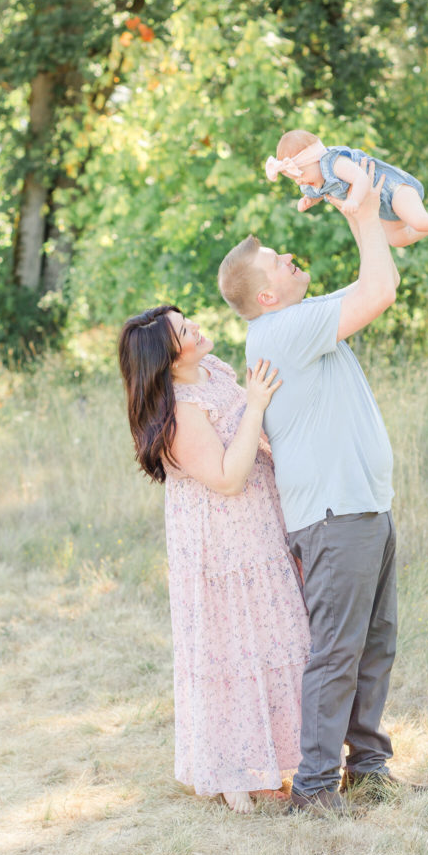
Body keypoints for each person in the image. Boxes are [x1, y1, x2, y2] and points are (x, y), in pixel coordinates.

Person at [218, 161, 422, 814]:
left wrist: (381, 213)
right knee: (336, 655)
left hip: (361, 509)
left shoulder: (296, 320)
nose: (288, 259)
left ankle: (366, 768)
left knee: (373, 647)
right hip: (337, 518)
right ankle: (311, 792)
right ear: (266, 295)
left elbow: (377, 274)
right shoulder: (283, 330)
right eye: (278, 261)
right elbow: (379, 292)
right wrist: (359, 212)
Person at [118, 306, 310, 814]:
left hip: (261, 525)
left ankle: (277, 759)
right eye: (185, 331)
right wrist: (255, 406)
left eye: (188, 321)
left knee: (280, 637)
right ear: (166, 357)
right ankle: (233, 773)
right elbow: (226, 478)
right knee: (232, 649)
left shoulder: (216, 369)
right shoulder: (179, 410)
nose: (197, 328)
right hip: (221, 543)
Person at [265, 127, 428, 249]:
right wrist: (309, 201)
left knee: (419, 220)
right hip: (381, 206)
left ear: (315, 159)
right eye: (294, 179)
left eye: (301, 174)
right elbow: (321, 192)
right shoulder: (314, 181)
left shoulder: (333, 162)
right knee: (397, 239)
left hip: (392, 189)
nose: (300, 181)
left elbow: (361, 178)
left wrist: (354, 200)